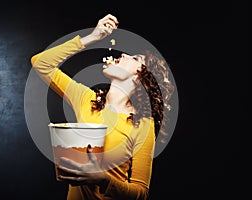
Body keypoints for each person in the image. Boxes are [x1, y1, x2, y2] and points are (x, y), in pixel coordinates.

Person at [30, 14, 174, 200]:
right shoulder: (86, 98)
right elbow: (40, 63)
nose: (123, 55)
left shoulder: (143, 125)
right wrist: (92, 37)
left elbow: (141, 193)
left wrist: (102, 179)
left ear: (141, 77)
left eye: (136, 58)